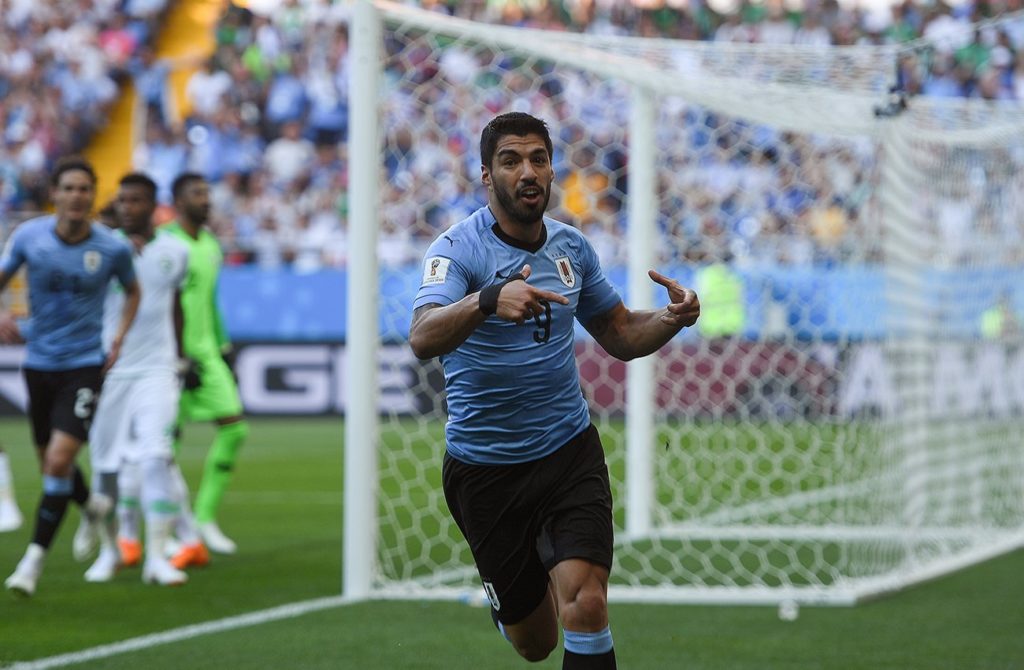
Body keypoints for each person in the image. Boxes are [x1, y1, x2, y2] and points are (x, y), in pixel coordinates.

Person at [408, 112, 700, 669]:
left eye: (538, 159)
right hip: (485, 470)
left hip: (568, 452)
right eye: (511, 160)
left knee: (586, 605)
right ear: (487, 177)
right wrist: (487, 300)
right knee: (536, 644)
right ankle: (514, 599)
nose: (528, 172)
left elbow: (618, 332)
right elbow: (422, 336)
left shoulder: (571, 248)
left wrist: (670, 319)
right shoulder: (458, 250)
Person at [1, 156, 140, 597]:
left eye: (85, 188)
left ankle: (32, 563)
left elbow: (133, 289)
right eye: (69, 188)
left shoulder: (112, 248)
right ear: (55, 195)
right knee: (51, 465)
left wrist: (118, 336)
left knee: (58, 462)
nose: (77, 196)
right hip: (39, 363)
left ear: (93, 195)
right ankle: (92, 505)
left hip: (84, 364)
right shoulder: (29, 237)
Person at [84, 172, 198, 586]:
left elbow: (176, 306)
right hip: (111, 370)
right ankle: (109, 550)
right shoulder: (103, 248)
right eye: (122, 200)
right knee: (105, 468)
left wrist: (182, 357)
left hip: (158, 369)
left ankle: (157, 558)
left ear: (153, 206)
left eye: (135, 201)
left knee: (154, 456)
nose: (127, 207)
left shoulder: (175, 251)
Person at [163, 172, 249, 556]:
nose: (207, 200)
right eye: (199, 194)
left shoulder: (211, 245)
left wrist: (224, 346)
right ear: (179, 201)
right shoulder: (165, 243)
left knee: (234, 429)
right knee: (163, 446)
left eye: (207, 193)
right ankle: (165, 529)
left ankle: (203, 519)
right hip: (168, 359)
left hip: (207, 355)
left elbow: (210, 302)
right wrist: (177, 354)